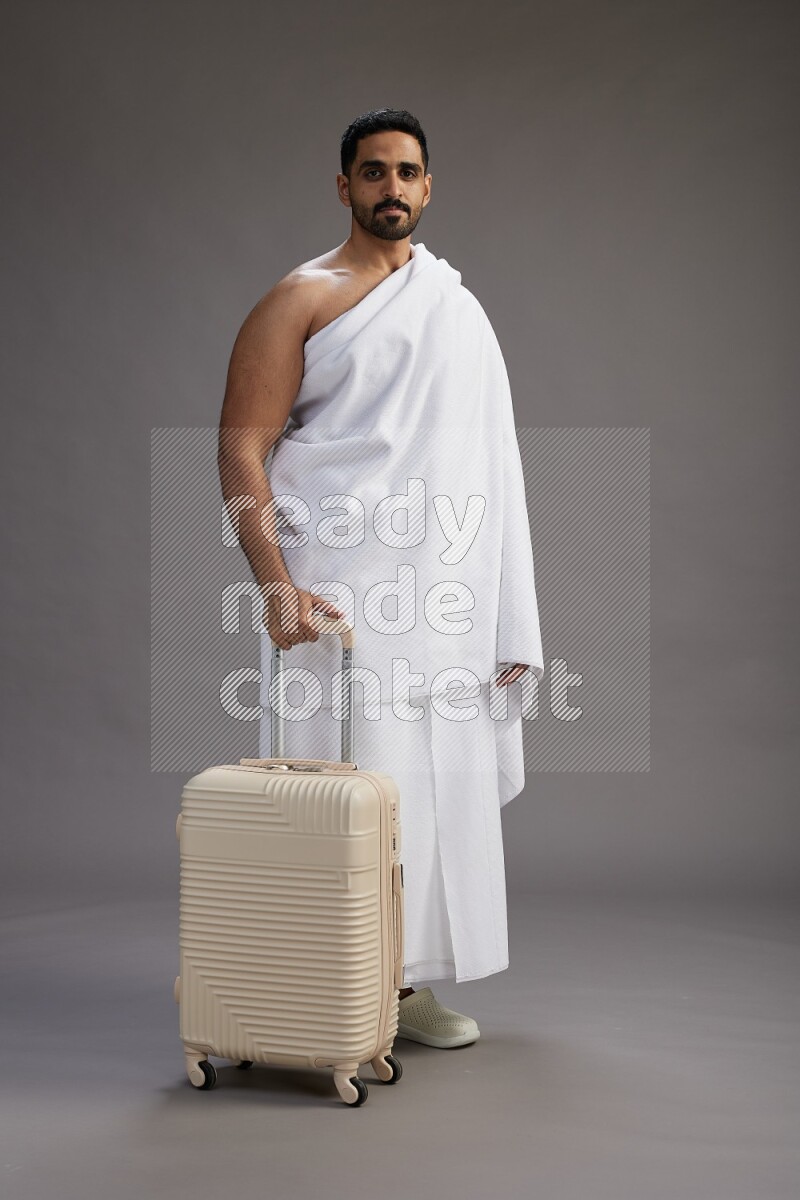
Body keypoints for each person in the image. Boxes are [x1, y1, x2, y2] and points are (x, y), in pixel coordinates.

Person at [217, 109, 544, 1049]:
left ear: (428, 187)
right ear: (344, 186)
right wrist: (275, 585)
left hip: (443, 602)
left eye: (406, 173)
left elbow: (495, 471)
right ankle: (317, 986)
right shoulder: (301, 297)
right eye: (372, 173)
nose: (390, 189)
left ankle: (398, 986)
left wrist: (509, 621)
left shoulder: (456, 308)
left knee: (425, 790)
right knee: (339, 787)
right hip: (338, 592)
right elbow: (241, 453)